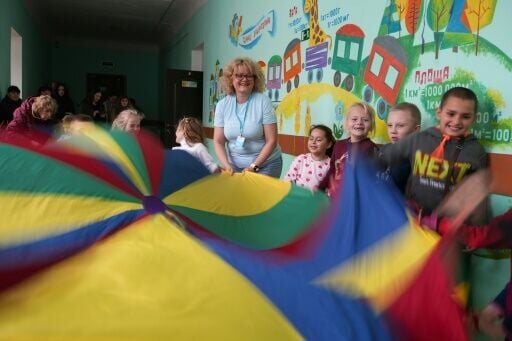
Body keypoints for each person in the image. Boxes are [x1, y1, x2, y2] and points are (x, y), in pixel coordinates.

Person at [378, 87, 488, 223]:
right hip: (413, 221)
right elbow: (382, 159)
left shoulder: (476, 152)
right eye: (451, 114)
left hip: (449, 227)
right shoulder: (418, 139)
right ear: (439, 113)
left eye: (465, 116)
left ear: (474, 119)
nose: (457, 121)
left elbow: (478, 198)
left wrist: (477, 228)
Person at [213, 57, 282, 178]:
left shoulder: (263, 101)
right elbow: (218, 141)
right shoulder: (222, 105)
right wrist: (227, 165)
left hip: (265, 165)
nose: (244, 79)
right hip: (234, 166)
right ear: (231, 79)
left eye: (249, 76)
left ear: (255, 79)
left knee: (258, 197)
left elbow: (271, 141)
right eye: (239, 75)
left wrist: (254, 166)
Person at [318, 102, 378, 197]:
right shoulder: (339, 145)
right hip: (335, 196)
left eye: (365, 120)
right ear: (347, 122)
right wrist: (320, 187)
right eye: (354, 119)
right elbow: (332, 169)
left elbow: (371, 179)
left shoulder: (372, 148)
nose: (359, 123)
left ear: (371, 125)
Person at [382, 102, 421, 192]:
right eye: (390, 125)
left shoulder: (417, 158)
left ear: (415, 130)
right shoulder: (384, 150)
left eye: (400, 126)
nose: (393, 131)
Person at [284, 124, 335, 190]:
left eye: (318, 140)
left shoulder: (330, 164)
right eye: (311, 139)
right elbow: (288, 179)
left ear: (328, 144)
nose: (313, 142)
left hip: (319, 200)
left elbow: (332, 189)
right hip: (300, 199)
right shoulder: (301, 159)